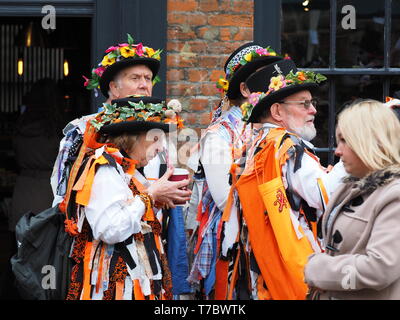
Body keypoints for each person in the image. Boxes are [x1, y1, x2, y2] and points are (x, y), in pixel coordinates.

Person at [221, 58, 346, 299]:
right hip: (295, 276)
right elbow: (326, 195)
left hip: (267, 275)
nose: (313, 110)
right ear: (277, 111)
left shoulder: (257, 145)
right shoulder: (287, 147)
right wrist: (357, 152)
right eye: (304, 104)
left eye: (312, 102)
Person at [65, 96, 191, 300]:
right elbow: (110, 229)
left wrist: (157, 202)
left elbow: (133, 215)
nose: (160, 148)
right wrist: (150, 195)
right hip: (114, 286)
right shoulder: (105, 169)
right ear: (134, 137)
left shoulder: (128, 170)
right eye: (155, 139)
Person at [186, 42, 282, 299]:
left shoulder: (273, 129)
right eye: (266, 77)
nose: (275, 82)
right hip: (235, 248)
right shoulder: (219, 136)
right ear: (244, 88)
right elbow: (224, 199)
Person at [51, 34, 164, 206]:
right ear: (114, 88)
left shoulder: (159, 130)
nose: (144, 85)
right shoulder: (81, 131)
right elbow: (62, 194)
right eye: (135, 78)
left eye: (148, 78)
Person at [304, 99, 400, 300]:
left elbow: (379, 269)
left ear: (370, 141)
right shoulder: (350, 186)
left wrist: (319, 270)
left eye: (345, 140)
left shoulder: (394, 195)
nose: (337, 151)